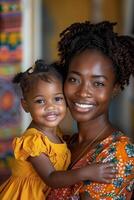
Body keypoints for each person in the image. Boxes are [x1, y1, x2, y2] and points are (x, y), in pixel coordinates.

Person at [0, 60, 116, 200]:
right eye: (40, 101)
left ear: (66, 100)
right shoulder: (33, 142)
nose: (51, 107)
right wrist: (86, 173)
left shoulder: (57, 133)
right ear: (25, 105)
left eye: (57, 98)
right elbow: (51, 178)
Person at [47, 21, 134, 200]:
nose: (83, 92)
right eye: (74, 79)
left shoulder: (119, 153)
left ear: (115, 88)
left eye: (98, 83)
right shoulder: (63, 142)